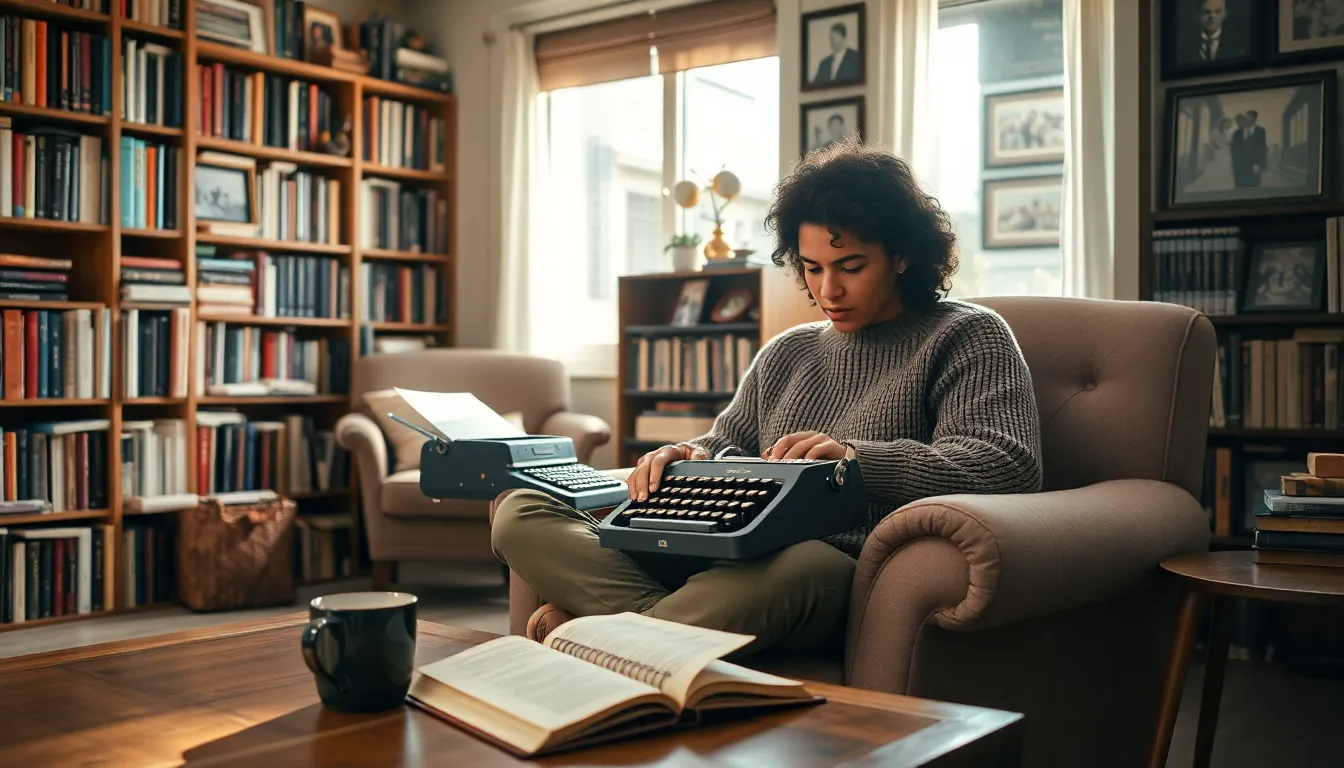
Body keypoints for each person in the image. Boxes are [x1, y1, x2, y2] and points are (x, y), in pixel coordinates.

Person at [491, 137, 1044, 659]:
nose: (828, 290)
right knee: (524, 508)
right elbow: (722, 444)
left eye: (851, 266)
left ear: (901, 255)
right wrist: (682, 456)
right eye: (812, 268)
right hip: (720, 552)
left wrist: (855, 463)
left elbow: (1007, 466)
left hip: (820, 567)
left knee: (804, 562)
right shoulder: (788, 351)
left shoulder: (968, 336)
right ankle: (640, 636)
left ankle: (588, 635)